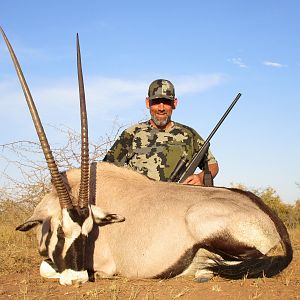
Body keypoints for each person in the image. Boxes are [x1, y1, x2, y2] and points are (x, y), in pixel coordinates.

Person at [103, 79, 219, 185]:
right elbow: (105, 170)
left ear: (175, 103)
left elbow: (212, 165)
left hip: (180, 201)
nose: (161, 108)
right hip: (139, 203)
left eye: (166, 102)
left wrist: (200, 177)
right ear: (148, 103)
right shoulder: (131, 134)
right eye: (156, 101)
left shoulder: (190, 134)